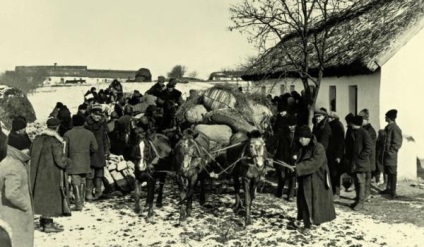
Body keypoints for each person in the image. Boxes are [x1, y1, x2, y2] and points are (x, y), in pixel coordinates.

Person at [290, 125, 336, 235]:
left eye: (301, 138)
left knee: (314, 202)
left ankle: (311, 224)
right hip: (305, 179)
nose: (299, 140)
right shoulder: (303, 147)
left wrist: (299, 167)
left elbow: (315, 163)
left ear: (307, 137)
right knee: (304, 202)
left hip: (318, 180)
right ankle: (307, 224)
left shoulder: (319, 148)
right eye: (299, 138)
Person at [30, 118, 69, 233]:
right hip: (51, 174)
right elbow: (60, 161)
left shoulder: (36, 139)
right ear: (57, 127)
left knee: (41, 196)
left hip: (38, 173)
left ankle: (43, 222)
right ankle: (48, 224)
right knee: (50, 197)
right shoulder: (55, 141)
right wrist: (68, 161)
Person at [0, 128, 34, 246]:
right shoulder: (14, 166)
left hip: (8, 213)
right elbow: (11, 193)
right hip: (16, 215)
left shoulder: (8, 161)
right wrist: (26, 205)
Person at [64, 115, 98, 211]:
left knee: (75, 182)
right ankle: (82, 202)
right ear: (83, 122)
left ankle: (78, 204)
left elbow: (64, 150)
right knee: (83, 180)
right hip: (85, 161)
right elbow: (95, 147)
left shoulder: (67, 134)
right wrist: (87, 153)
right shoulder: (89, 133)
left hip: (73, 162)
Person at [345, 116, 373, 210]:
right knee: (356, 182)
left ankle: (361, 203)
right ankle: (357, 200)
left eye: (351, 123)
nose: (349, 124)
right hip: (354, 162)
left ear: (354, 123)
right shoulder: (353, 132)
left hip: (361, 163)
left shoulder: (364, 133)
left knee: (361, 182)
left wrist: (361, 156)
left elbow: (369, 147)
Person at [84, 104, 110, 200]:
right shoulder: (86, 124)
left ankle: (98, 192)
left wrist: (107, 150)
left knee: (99, 172)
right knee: (90, 173)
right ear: (91, 114)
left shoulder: (103, 123)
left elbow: (106, 138)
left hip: (100, 151)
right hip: (89, 151)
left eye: (99, 114)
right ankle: (88, 193)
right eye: (95, 114)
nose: (97, 116)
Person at [274, 115, 298, 201]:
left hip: (293, 158)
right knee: (282, 175)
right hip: (282, 156)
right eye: (289, 125)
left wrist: (296, 154)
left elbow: (299, 146)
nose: (291, 127)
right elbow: (276, 142)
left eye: (293, 125)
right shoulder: (282, 132)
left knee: (292, 176)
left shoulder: (298, 133)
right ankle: (279, 191)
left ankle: (290, 195)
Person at [380, 109, 403, 198]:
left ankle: (393, 191)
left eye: (386, 117)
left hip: (391, 156)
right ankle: (388, 188)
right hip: (386, 155)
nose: (385, 118)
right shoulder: (388, 127)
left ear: (390, 118)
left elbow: (397, 143)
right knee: (387, 172)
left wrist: (390, 152)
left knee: (392, 173)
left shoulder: (395, 129)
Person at [358, 109, 377, 201]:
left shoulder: (371, 131)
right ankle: (363, 195)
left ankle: (367, 194)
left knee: (367, 177)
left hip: (368, 158)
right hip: (365, 158)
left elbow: (369, 147)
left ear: (366, 119)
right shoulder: (363, 129)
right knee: (364, 177)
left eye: (362, 119)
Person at [327, 112, 345, 199]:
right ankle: (333, 191)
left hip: (335, 154)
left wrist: (338, 155)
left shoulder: (337, 126)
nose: (328, 119)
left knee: (335, 174)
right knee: (332, 173)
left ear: (333, 118)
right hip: (331, 153)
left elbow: (340, 142)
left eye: (329, 117)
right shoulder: (332, 125)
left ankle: (336, 193)